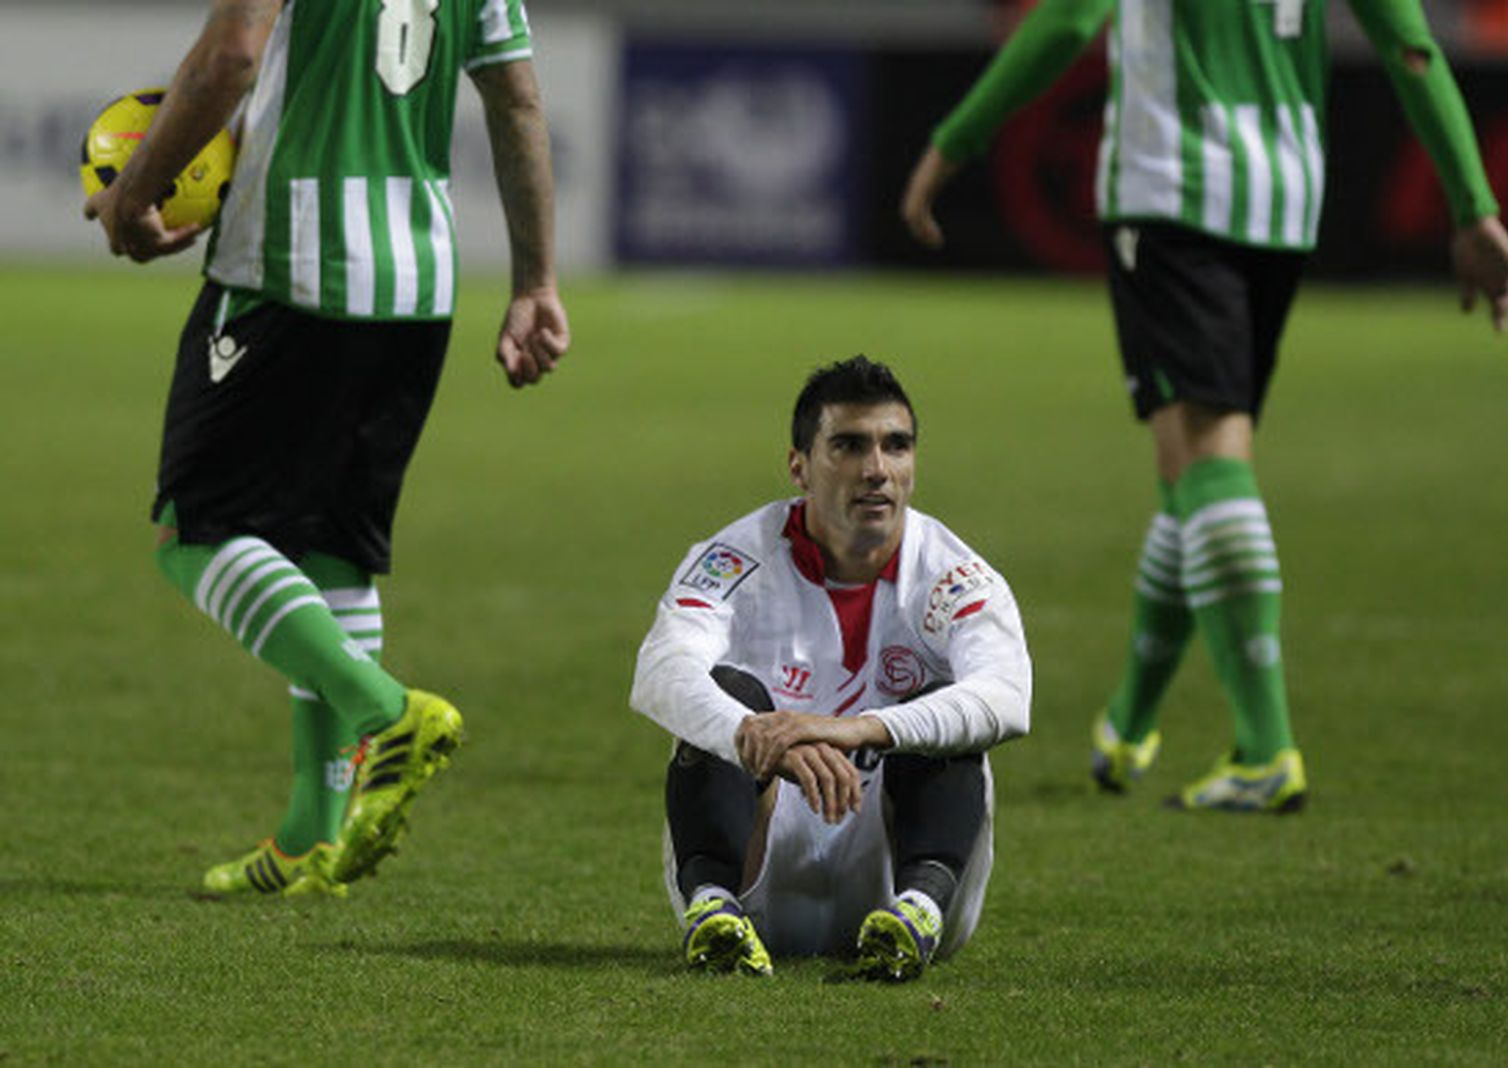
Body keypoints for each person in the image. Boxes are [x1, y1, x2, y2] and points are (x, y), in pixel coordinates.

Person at [902, 0, 1508, 812]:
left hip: (1174, 189)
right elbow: (1410, 46)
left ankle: (1266, 748)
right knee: (1190, 468)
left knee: (1208, 456)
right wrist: (1473, 203)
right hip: (1283, 200)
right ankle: (1130, 718)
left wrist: (952, 144)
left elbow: (1063, 22)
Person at [83, 0, 571, 894]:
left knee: (194, 533)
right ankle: (312, 833)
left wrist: (135, 189)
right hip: (416, 280)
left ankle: (388, 713)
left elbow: (230, 56)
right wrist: (536, 279)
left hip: (291, 268)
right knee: (330, 553)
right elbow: (519, 104)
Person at [630, 356, 1032, 980]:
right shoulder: (733, 560)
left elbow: (1007, 695)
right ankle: (712, 907)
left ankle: (919, 910)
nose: (877, 470)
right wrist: (753, 734)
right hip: (757, 874)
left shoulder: (955, 575)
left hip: (901, 880)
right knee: (724, 694)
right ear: (799, 466)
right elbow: (660, 670)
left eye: (896, 446)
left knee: (947, 708)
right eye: (849, 446)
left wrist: (861, 728)